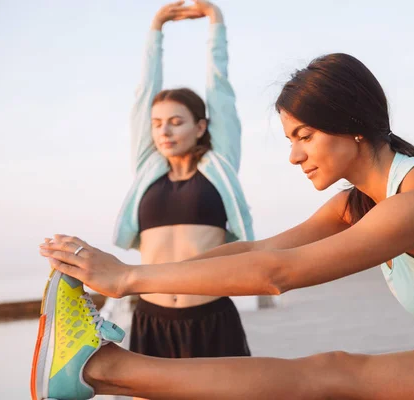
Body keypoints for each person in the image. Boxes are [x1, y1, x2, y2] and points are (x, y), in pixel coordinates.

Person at [33, 53, 414, 400]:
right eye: (289, 139)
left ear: (350, 128)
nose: (295, 155)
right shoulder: (360, 203)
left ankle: (100, 371)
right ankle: (98, 370)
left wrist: (126, 278)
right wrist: (123, 273)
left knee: (331, 377)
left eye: (303, 135)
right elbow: (258, 249)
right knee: (332, 375)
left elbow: (279, 273)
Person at [109, 0, 253, 372]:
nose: (164, 131)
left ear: (201, 127)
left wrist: (215, 22)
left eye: (176, 121)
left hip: (211, 317)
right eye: (157, 124)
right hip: (151, 320)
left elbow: (220, 89)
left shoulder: (219, 166)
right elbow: (145, 93)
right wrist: (156, 27)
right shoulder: (147, 169)